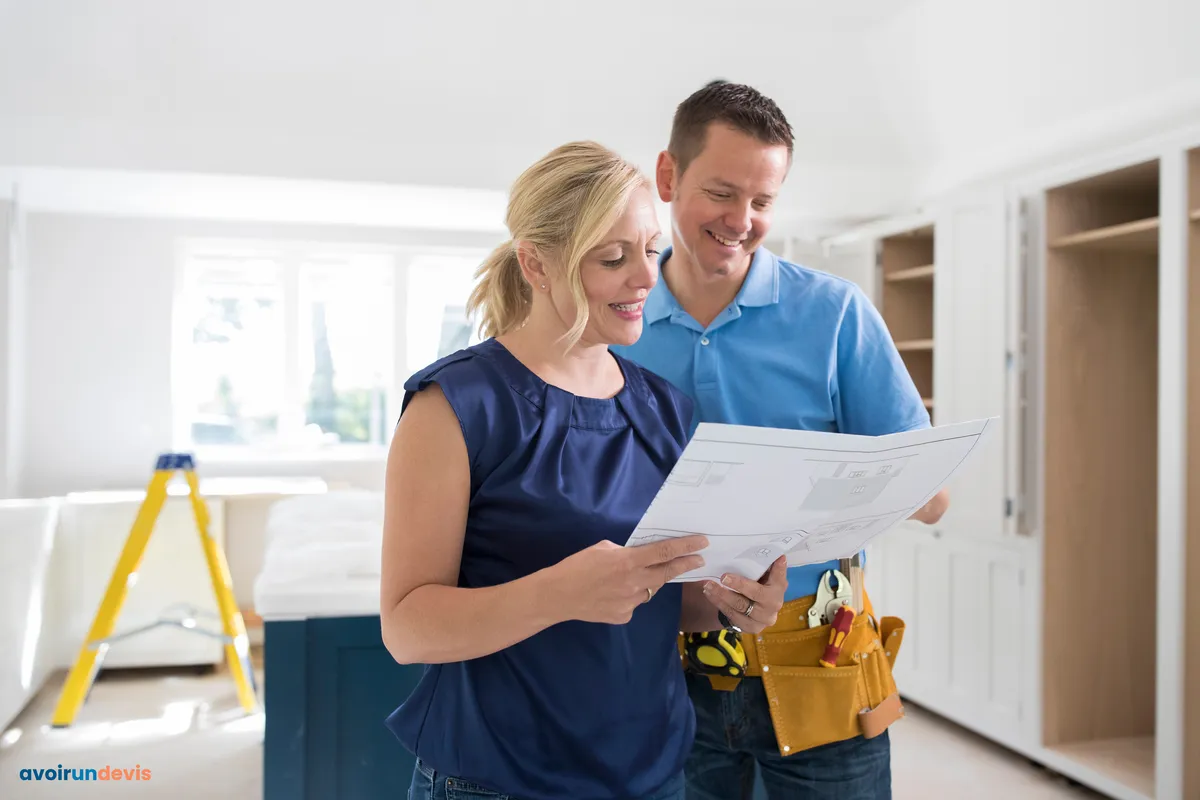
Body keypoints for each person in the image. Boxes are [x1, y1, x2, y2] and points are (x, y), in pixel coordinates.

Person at [379, 140, 789, 800]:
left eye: (650, 249)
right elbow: (406, 628)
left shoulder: (665, 408)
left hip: (652, 774)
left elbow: (651, 598)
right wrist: (561, 593)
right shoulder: (456, 406)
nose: (646, 278)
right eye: (612, 258)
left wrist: (730, 605)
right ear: (535, 264)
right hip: (496, 779)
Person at [611, 81, 951, 800]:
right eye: (722, 193)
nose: (741, 221)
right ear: (668, 177)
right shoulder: (614, 325)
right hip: (659, 672)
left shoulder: (835, 315)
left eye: (762, 202)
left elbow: (932, 494)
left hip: (822, 667)